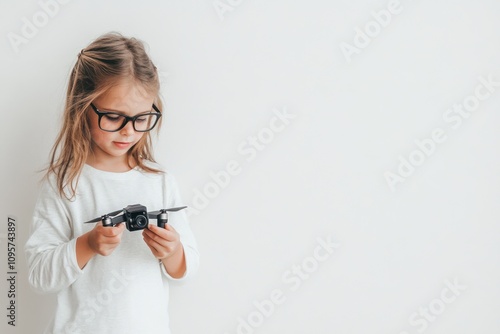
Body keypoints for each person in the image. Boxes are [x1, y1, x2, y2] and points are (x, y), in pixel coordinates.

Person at [24, 32, 199, 334]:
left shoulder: (160, 182)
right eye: (114, 117)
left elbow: (186, 269)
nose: (128, 132)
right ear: (82, 107)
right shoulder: (64, 184)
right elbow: (39, 275)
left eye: (142, 117)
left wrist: (172, 251)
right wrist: (87, 244)